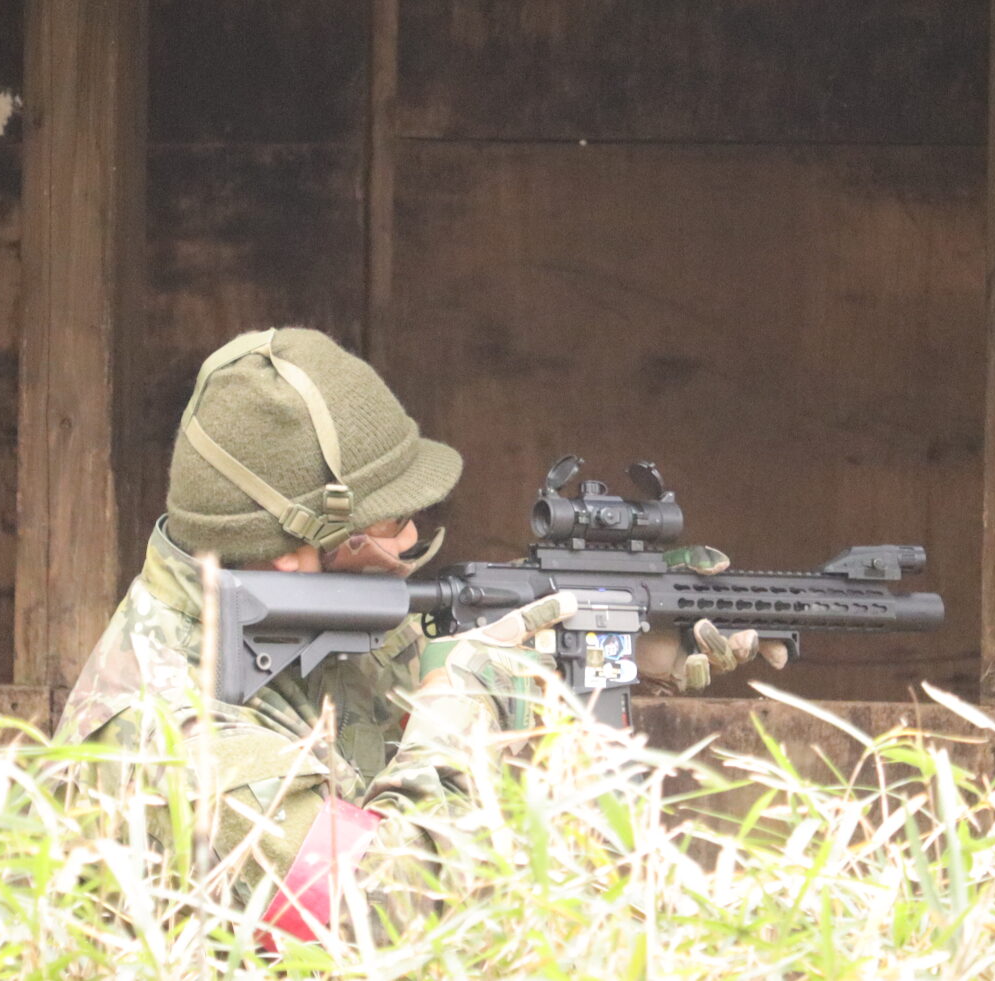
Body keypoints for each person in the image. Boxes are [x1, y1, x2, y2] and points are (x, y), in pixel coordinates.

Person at [58, 327, 778, 942]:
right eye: (387, 522)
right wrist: (464, 701)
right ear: (288, 555)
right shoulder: (165, 737)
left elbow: (439, 677)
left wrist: (610, 642)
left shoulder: (310, 617)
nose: (408, 540)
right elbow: (385, 913)